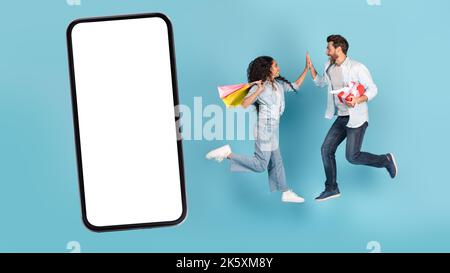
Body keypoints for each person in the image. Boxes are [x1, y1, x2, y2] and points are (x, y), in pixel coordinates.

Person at [308, 34, 398, 202]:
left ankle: (385, 160)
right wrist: (311, 68)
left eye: (329, 48)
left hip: (356, 117)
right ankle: (331, 188)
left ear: (338, 49)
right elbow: (322, 82)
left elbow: (373, 89)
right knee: (326, 149)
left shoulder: (357, 67)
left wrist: (357, 99)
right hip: (342, 116)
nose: (326, 51)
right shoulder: (328, 66)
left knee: (352, 157)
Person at [206, 56, 309, 203]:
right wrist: (258, 91)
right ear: (268, 69)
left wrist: (307, 69)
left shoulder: (278, 85)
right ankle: (227, 154)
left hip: (273, 128)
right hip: (264, 128)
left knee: (277, 161)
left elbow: (295, 85)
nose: (279, 68)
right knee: (261, 165)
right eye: (276, 65)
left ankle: (285, 192)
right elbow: (245, 104)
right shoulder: (259, 86)